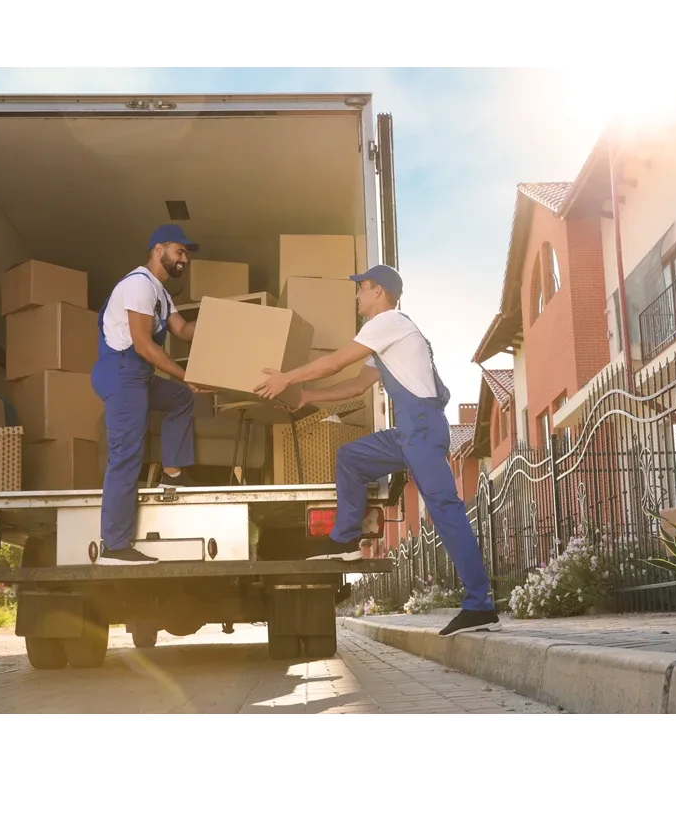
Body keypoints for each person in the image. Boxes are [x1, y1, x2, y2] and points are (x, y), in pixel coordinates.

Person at [254, 265, 501, 637]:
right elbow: (356, 385)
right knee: (351, 458)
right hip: (407, 431)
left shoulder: (391, 322)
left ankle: (480, 605)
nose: (357, 296)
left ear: (380, 292)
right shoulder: (386, 337)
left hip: (420, 428)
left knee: (446, 511)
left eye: (362, 289)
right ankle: (345, 542)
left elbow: (338, 361)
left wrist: (286, 378)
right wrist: (307, 396)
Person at [91, 224, 207, 565]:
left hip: (137, 376)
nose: (184, 259)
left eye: (185, 254)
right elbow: (143, 345)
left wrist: (224, 323)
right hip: (122, 372)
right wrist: (186, 375)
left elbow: (183, 330)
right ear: (159, 249)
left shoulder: (161, 292)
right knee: (126, 456)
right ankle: (114, 545)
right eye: (180, 251)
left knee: (180, 400)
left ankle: (173, 472)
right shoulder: (138, 285)